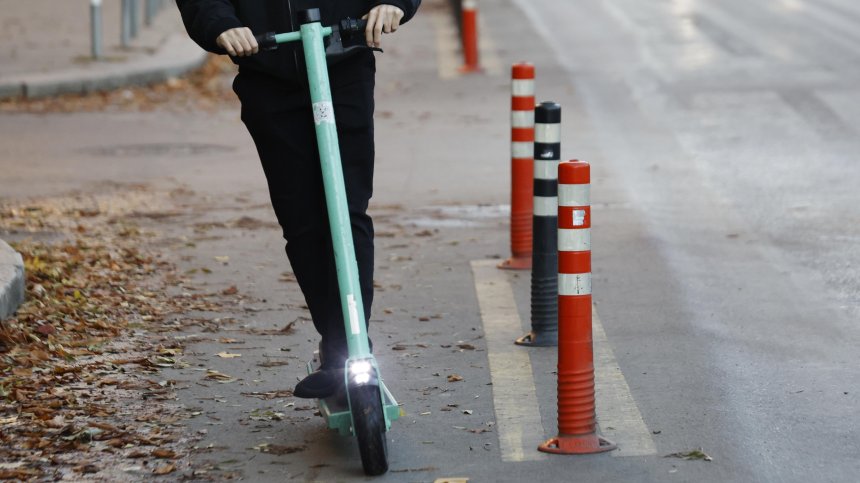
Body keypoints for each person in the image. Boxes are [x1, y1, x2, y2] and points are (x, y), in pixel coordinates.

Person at [175, 0, 421, 398]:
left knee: (345, 209)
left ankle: (349, 348)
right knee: (303, 221)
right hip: (267, 72)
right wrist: (220, 24)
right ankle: (335, 342)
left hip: (343, 62)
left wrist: (394, 3)